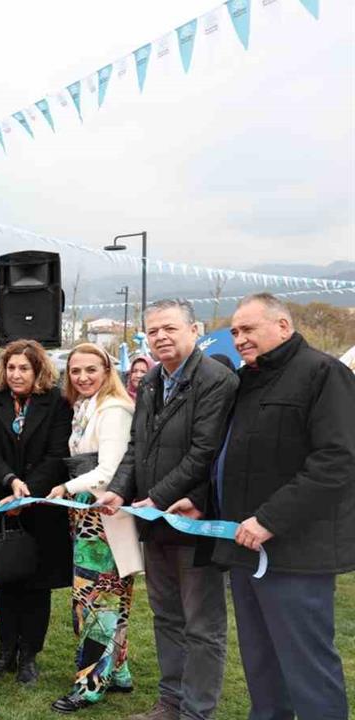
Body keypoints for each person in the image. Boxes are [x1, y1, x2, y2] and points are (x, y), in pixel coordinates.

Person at [216, 293, 353, 720]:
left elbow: (337, 460)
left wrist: (270, 519)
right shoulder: (246, 380)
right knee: (261, 664)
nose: (239, 338)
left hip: (297, 555)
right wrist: (203, 504)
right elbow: (233, 458)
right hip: (246, 549)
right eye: (234, 331)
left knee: (307, 668)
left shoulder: (323, 373)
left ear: (283, 326)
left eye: (248, 329)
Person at [100, 299, 238, 720]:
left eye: (170, 328)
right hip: (153, 522)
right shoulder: (151, 379)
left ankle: (196, 712)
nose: (160, 337)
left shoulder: (217, 379)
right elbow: (136, 447)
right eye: (153, 331)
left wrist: (157, 498)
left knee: (202, 626)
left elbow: (204, 452)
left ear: (195, 330)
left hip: (193, 522)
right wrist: (119, 491)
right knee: (166, 618)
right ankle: (170, 704)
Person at [46, 343, 142, 713]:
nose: (82, 377)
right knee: (106, 597)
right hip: (88, 515)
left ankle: (90, 684)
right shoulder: (88, 406)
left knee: (96, 601)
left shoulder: (114, 409)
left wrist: (65, 487)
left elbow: (109, 469)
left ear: (106, 370)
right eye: (75, 371)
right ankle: (118, 671)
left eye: (91, 370)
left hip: (104, 517)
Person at [0, 340, 72, 686]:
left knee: (37, 583)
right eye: (11, 367)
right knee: (5, 576)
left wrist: (29, 489)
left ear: (38, 370)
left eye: (24, 368)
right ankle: (4, 653)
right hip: (0, 498)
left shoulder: (56, 401)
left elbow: (58, 453)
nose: (16, 374)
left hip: (41, 504)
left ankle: (29, 655)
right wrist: (10, 481)